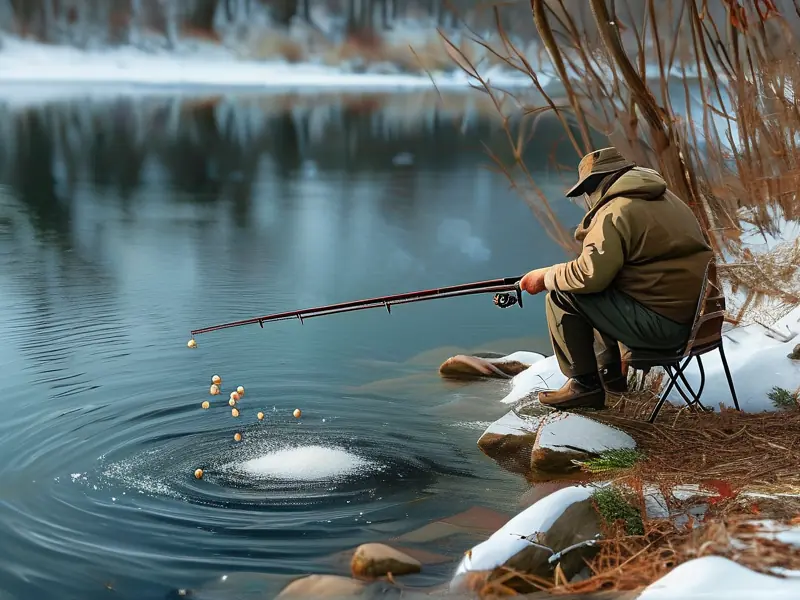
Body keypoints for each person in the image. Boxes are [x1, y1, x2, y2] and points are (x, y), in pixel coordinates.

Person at [518, 147, 714, 409]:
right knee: (599, 288)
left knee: (564, 293)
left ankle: (583, 386)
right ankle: (611, 375)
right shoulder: (667, 199)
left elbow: (588, 276)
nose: (587, 199)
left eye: (587, 191)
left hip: (664, 329)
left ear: (599, 184)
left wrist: (544, 277)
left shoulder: (616, 210)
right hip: (696, 322)